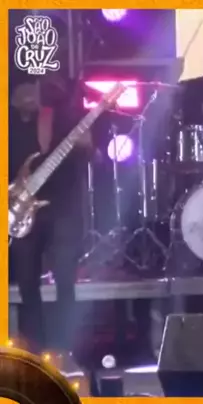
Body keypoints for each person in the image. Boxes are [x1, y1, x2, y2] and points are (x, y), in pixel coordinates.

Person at [9, 74, 94, 359]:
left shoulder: (65, 116)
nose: (28, 96)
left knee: (65, 280)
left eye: (33, 90)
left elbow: (90, 152)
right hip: (21, 210)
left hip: (61, 207)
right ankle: (34, 351)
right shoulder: (10, 124)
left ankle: (63, 349)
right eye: (22, 92)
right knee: (27, 283)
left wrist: (86, 144)